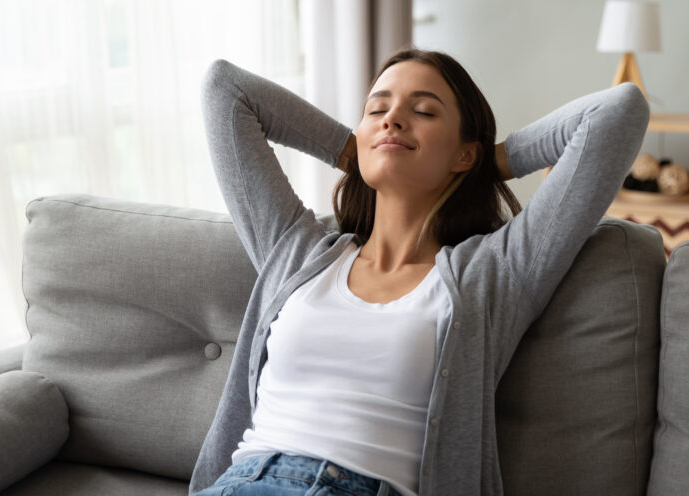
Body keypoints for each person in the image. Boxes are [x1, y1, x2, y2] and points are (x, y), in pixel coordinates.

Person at [189, 48, 649, 496]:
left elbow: (618, 112)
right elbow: (225, 90)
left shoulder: (495, 272)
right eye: (377, 108)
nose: (392, 118)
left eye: (424, 111)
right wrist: (356, 149)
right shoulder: (296, 251)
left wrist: (488, 163)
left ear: (464, 154)